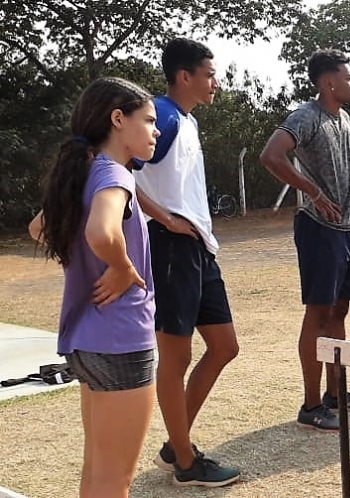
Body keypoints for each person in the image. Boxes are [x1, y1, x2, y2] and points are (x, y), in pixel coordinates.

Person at [29, 77, 158, 498]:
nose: (156, 131)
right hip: (121, 339)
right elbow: (102, 233)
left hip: (88, 339)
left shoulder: (83, 172)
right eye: (149, 120)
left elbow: (37, 228)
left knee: (97, 473)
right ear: (118, 119)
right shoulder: (114, 175)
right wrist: (120, 265)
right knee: (114, 480)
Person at [132, 38, 240, 485]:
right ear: (185, 76)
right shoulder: (163, 116)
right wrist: (164, 219)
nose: (215, 82)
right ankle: (185, 462)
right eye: (210, 74)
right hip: (171, 246)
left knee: (224, 346)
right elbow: (118, 167)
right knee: (175, 358)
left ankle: (174, 445)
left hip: (200, 247)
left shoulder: (187, 121)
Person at [259, 49, 350, 433]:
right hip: (319, 230)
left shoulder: (343, 119)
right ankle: (310, 406)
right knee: (318, 314)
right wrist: (312, 191)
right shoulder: (305, 117)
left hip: (348, 231)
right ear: (328, 82)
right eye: (349, 77)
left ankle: (335, 393)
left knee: (339, 313)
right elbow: (271, 156)